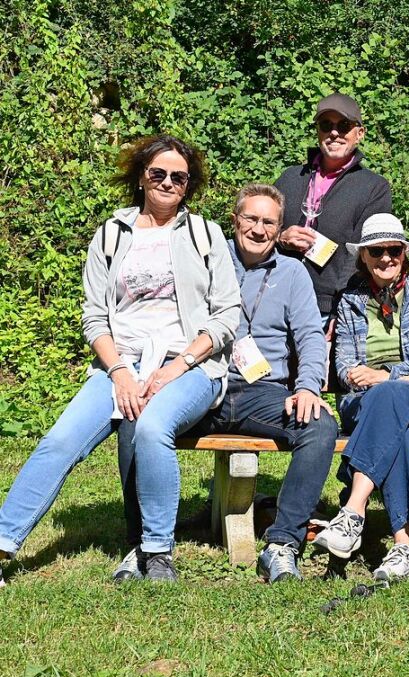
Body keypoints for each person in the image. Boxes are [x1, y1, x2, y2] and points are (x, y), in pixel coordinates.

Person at [0, 135, 240, 584]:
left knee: (151, 427)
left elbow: (227, 315)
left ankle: (156, 551)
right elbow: (94, 318)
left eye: (179, 177)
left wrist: (178, 365)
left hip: (189, 365)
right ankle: (2, 545)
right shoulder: (111, 234)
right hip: (119, 364)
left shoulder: (206, 234)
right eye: (159, 173)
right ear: (141, 177)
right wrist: (120, 373)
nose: (168, 182)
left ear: (189, 185)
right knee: (59, 441)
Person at [183, 184, 338, 584]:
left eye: (268, 221)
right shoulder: (207, 264)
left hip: (264, 394)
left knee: (320, 426)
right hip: (205, 385)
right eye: (250, 218)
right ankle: (145, 542)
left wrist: (307, 388)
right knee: (140, 419)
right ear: (234, 221)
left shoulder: (292, 272)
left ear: (279, 228)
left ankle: (282, 544)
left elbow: (309, 336)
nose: (258, 228)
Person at [312, 214, 409, 583]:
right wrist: (367, 378)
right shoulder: (352, 299)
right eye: (377, 251)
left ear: (405, 254)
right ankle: (403, 546)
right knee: (399, 434)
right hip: (368, 400)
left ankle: (353, 510)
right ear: (363, 256)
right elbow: (343, 361)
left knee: (390, 393)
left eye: (394, 250)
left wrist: (389, 375)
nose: (386, 258)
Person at [273, 92, 392, 325]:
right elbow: (260, 228)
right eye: (326, 125)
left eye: (344, 126)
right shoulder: (290, 177)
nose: (334, 133)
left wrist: (342, 310)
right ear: (318, 131)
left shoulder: (374, 188)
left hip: (326, 308)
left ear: (359, 134)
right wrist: (280, 237)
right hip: (277, 296)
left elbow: (363, 253)